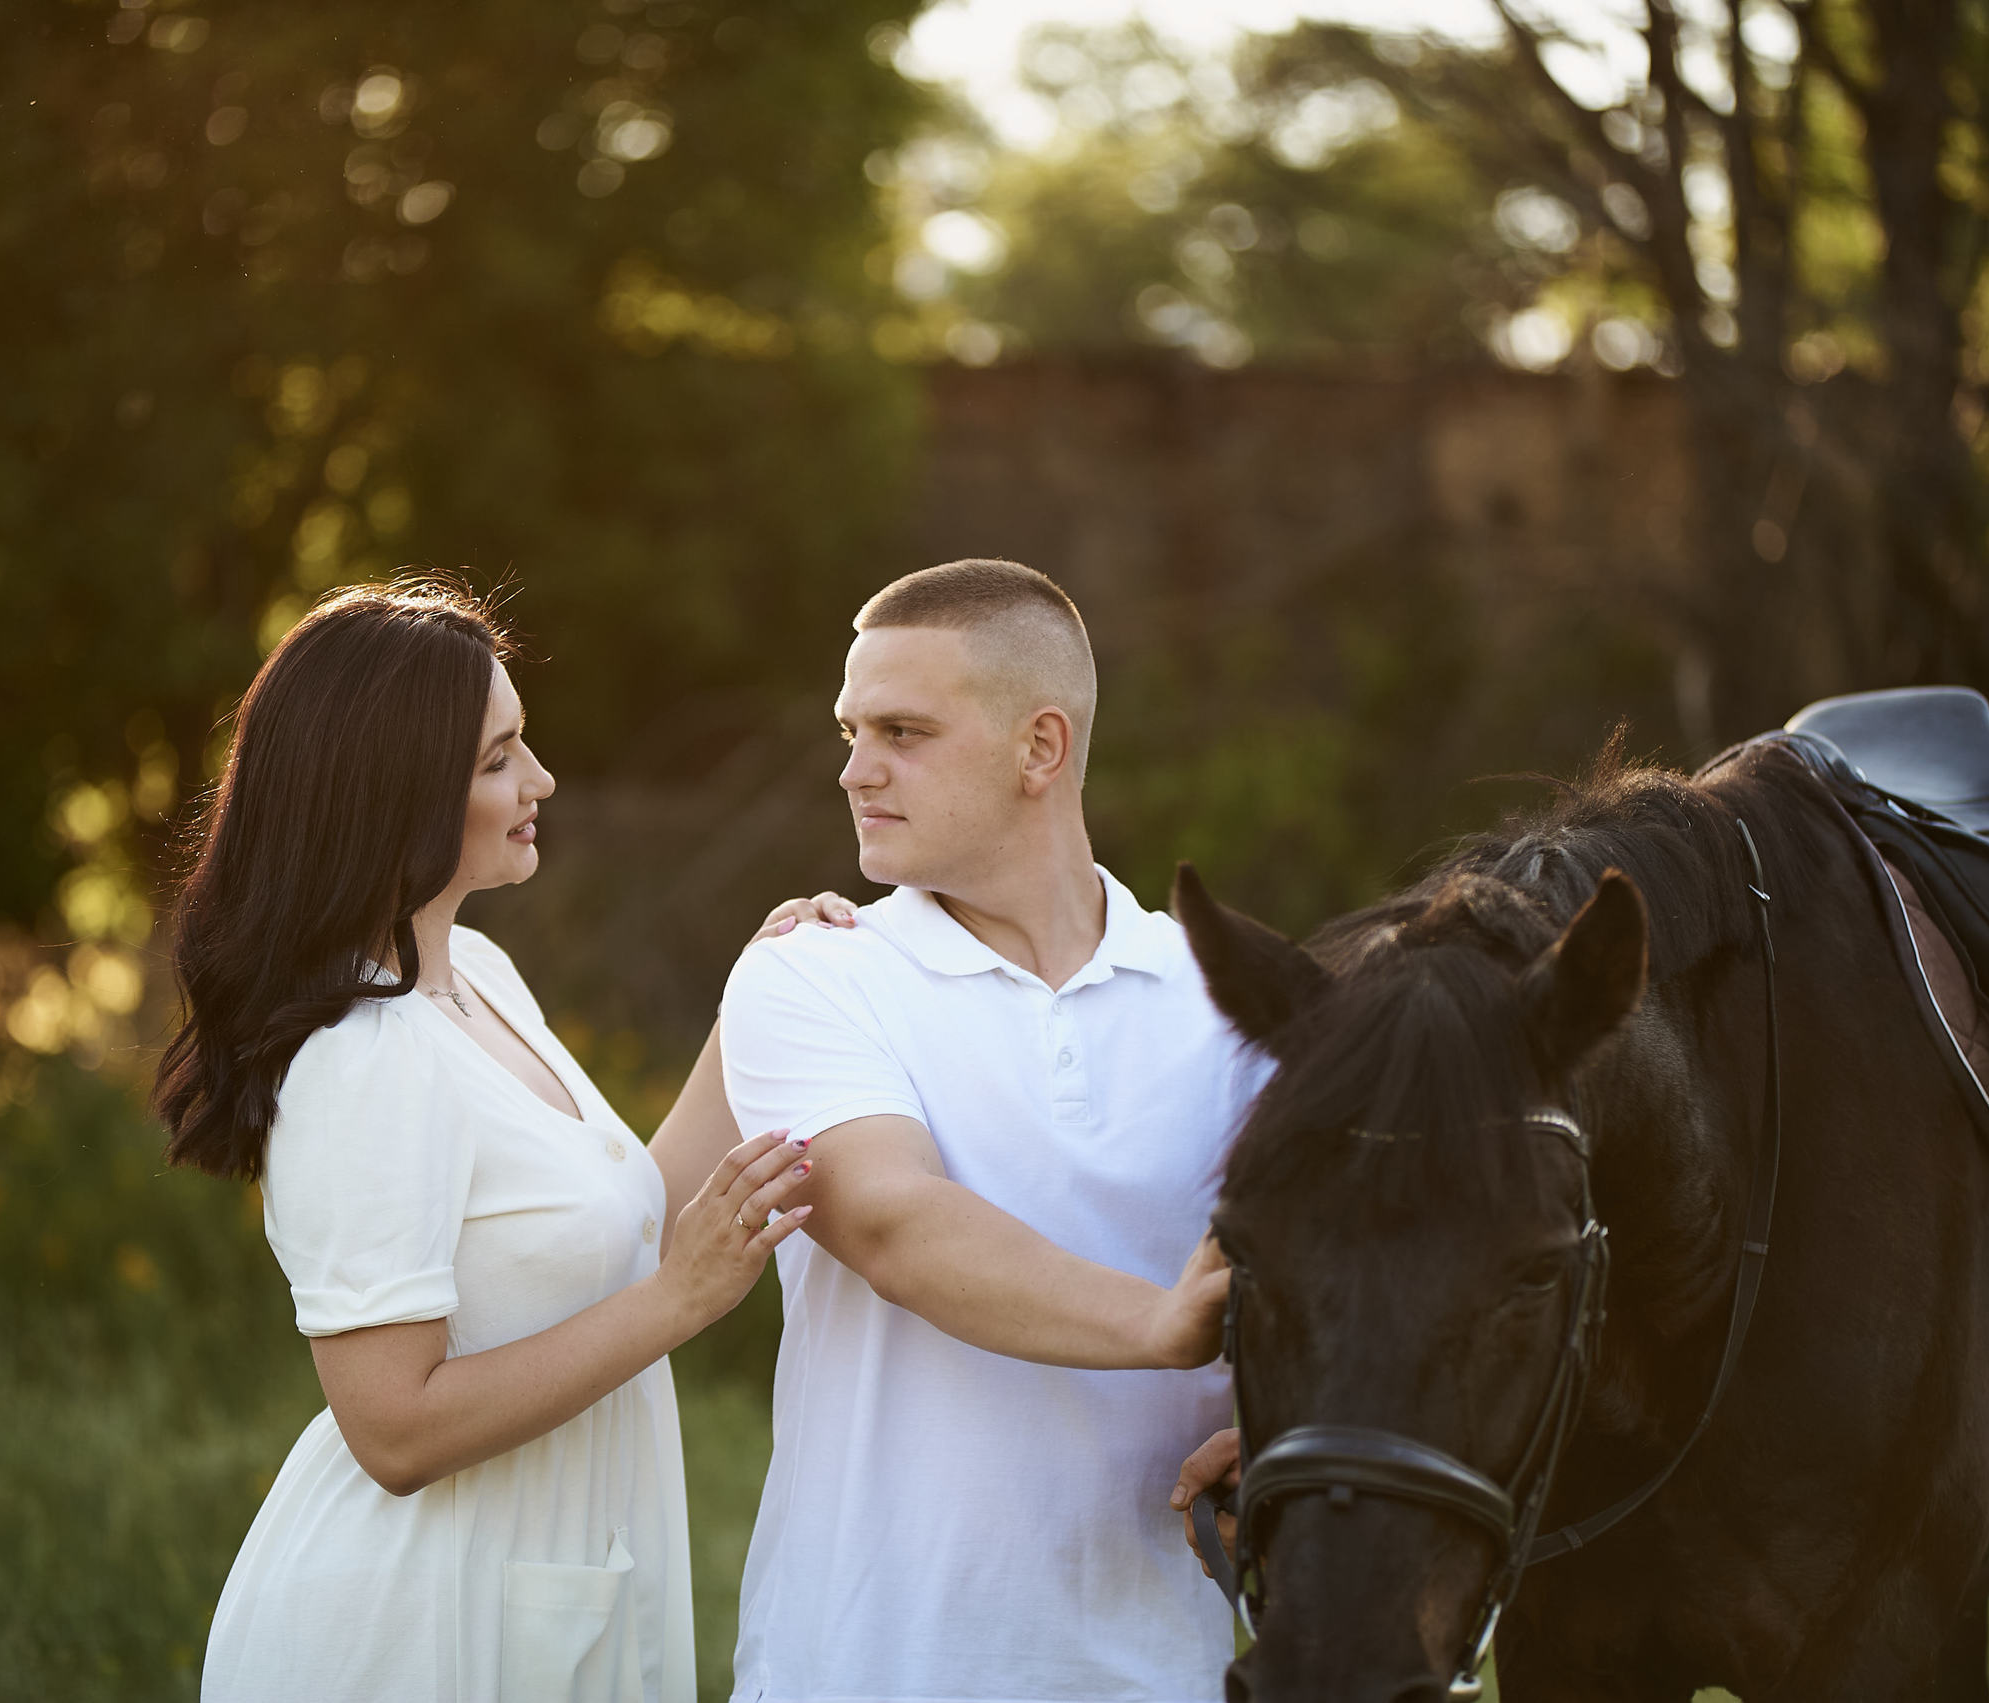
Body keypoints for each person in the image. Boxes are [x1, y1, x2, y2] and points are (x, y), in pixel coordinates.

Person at [154, 580, 848, 1703]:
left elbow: (620, 1225)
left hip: (546, 1576)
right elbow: (392, 1425)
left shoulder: (477, 976)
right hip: (412, 1627)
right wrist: (680, 1301)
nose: (541, 780)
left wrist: (752, 1002)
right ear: (393, 795)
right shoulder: (362, 1055)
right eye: (497, 759)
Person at [701, 558, 1271, 1703]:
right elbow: (895, 1222)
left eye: (903, 731)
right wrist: (1162, 1323)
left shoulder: (1234, 998)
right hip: (866, 1665)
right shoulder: (813, 974)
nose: (856, 771)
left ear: (1040, 747)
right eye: (851, 730)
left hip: (1164, 1669)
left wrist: (1277, 1417)